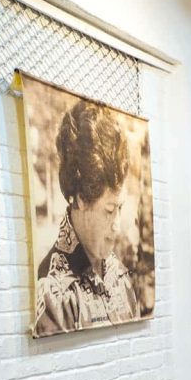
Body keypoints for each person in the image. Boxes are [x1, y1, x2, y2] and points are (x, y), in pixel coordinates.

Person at [35, 99, 140, 336]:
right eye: (109, 210)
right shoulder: (53, 292)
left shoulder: (120, 274)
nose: (116, 226)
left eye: (120, 208)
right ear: (81, 198)